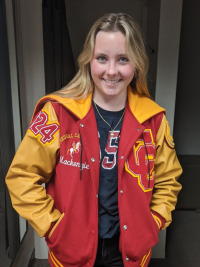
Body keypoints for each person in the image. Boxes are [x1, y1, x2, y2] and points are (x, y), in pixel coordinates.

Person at [6, 13, 182, 267]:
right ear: (88, 60)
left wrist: (153, 221)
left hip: (128, 251)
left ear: (137, 63)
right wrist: (54, 228)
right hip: (72, 249)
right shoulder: (57, 114)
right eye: (102, 58)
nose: (111, 71)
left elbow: (168, 181)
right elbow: (22, 178)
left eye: (123, 59)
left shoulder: (154, 120)